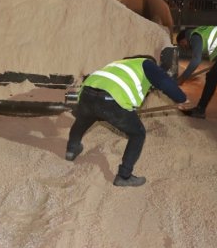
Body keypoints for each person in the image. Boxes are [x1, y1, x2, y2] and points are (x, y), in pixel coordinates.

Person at [65, 56, 187, 187]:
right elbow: (164, 82)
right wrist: (181, 99)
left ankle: (72, 150)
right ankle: (124, 176)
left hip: (87, 93)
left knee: (83, 120)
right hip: (110, 99)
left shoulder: (119, 63)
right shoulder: (147, 64)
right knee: (138, 134)